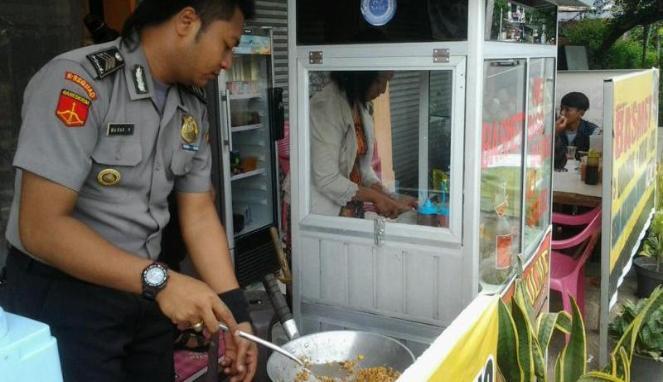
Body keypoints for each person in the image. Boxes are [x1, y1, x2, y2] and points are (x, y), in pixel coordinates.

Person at [2, 1, 258, 381]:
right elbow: (41, 227)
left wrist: (238, 317)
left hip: (146, 297)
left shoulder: (191, 105)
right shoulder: (79, 82)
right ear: (187, 21)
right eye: (226, 44)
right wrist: (163, 281)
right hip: (64, 298)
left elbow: (199, 212)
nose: (227, 62)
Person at [310, 70, 417, 219]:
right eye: (379, 81)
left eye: (387, 82)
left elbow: (362, 170)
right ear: (361, 77)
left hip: (349, 210)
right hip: (318, 212)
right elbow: (327, 179)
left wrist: (391, 198)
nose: (383, 90)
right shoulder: (326, 105)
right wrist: (377, 198)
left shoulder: (359, 104)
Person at [554, 91, 599, 170]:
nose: (562, 113)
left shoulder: (592, 131)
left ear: (581, 113)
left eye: (567, 110)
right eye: (561, 108)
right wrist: (555, 133)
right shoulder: (553, 127)